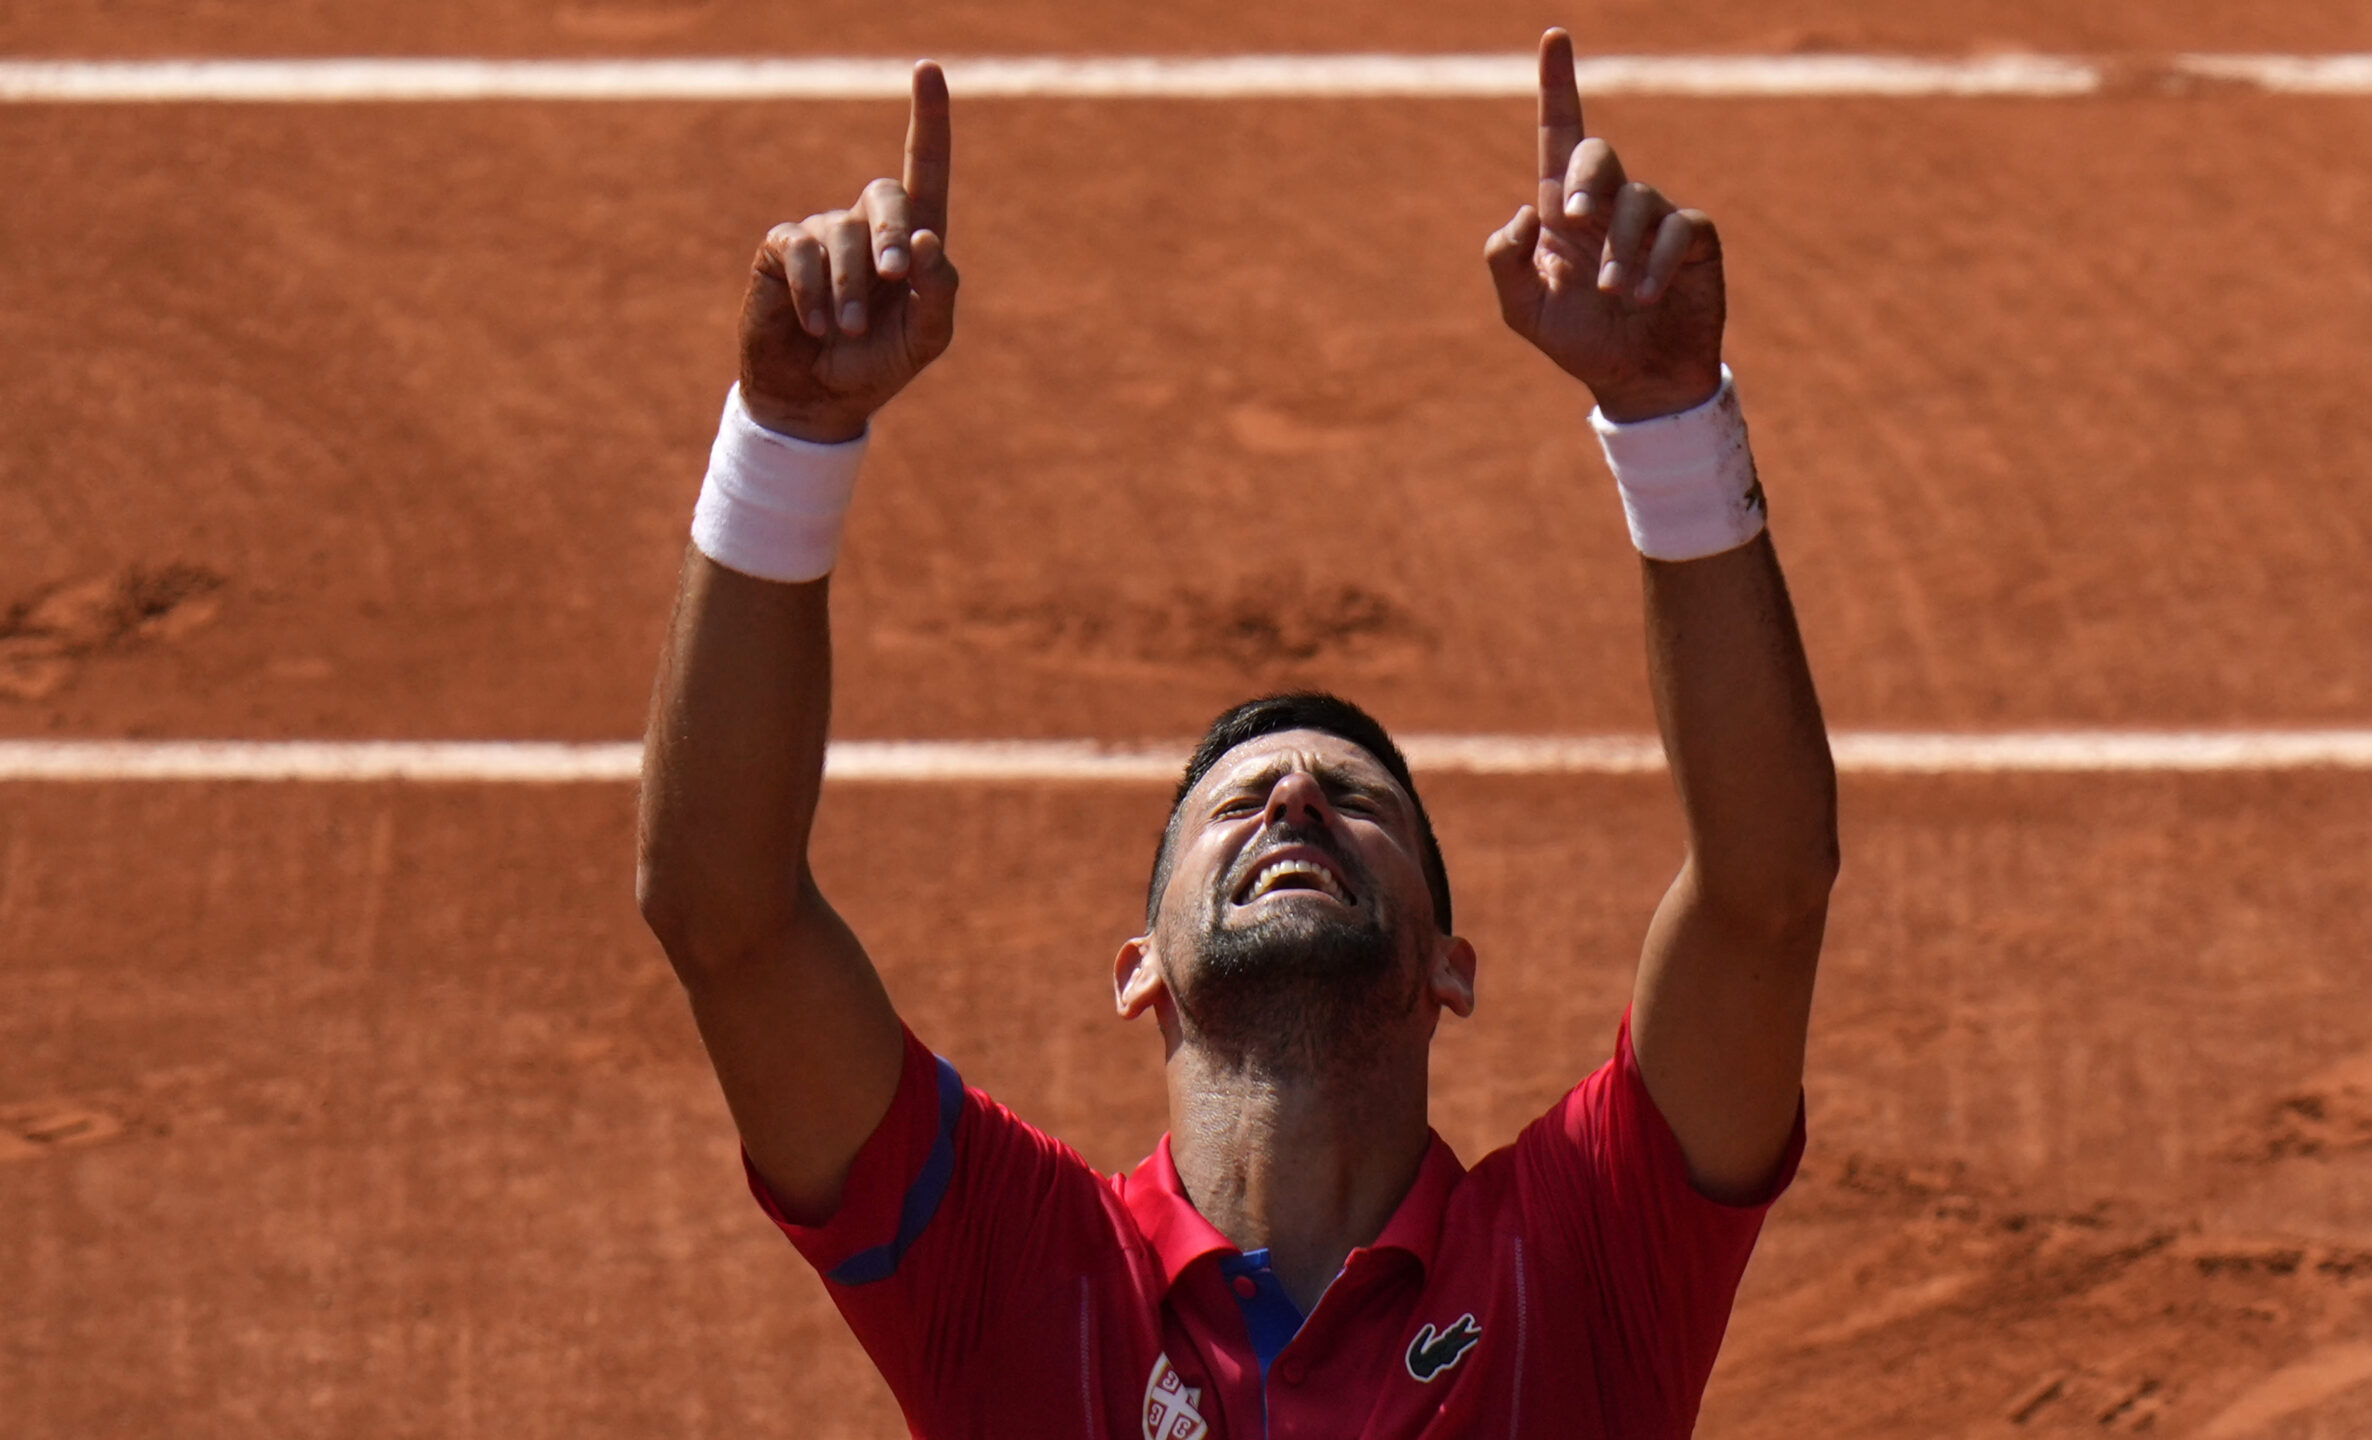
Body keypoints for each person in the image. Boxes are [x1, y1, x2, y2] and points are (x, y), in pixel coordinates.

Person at [638, 28, 1837, 1438]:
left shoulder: (1585, 1248)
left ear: (1454, 969)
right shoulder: (1019, 1264)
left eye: (1355, 800)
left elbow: (1764, 896)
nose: (1295, 806)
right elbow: (723, 916)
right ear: (1138, 970)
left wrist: (1669, 420)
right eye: (1240, 802)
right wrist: (784, 432)